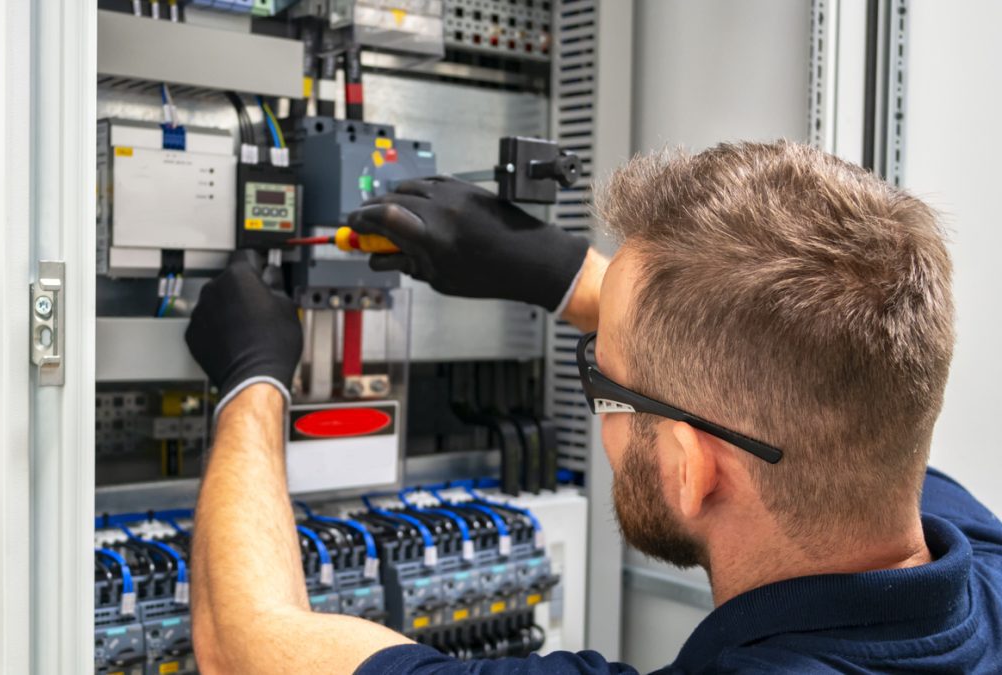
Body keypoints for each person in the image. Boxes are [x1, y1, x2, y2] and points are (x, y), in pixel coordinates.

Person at [183, 141, 1002, 673]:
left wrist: (254, 379)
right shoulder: (971, 560)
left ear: (690, 469)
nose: (600, 404)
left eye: (602, 383)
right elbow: (810, 367)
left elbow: (243, 644)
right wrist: (564, 272)